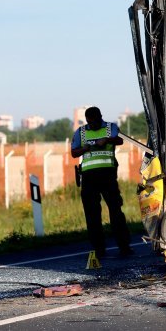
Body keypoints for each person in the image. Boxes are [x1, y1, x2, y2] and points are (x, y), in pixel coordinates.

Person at [71, 106, 133, 258]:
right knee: (92, 215)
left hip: (108, 176)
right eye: (90, 122)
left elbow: (119, 140)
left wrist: (107, 140)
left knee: (116, 211)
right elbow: (74, 152)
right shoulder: (81, 132)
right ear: (87, 120)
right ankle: (99, 249)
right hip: (88, 178)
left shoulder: (110, 128)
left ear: (100, 117)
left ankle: (124, 246)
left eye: (96, 121)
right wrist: (84, 149)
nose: (93, 124)